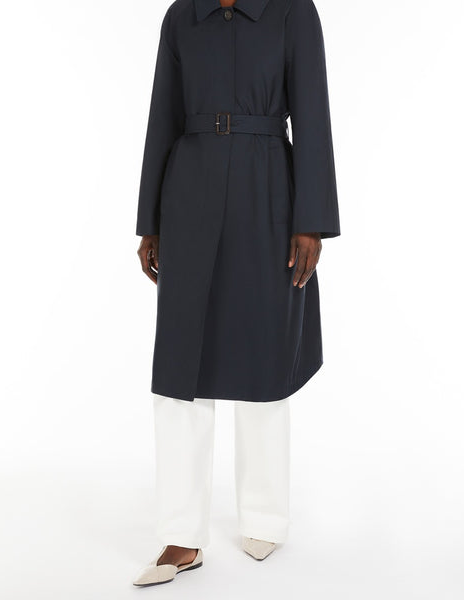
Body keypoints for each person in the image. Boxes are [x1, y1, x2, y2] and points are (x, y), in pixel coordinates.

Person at [133, 0, 340, 586]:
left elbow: (314, 115)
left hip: (267, 189)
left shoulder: (292, 12)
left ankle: (265, 517)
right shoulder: (182, 16)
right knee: (181, 366)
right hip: (189, 193)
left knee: (263, 356)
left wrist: (311, 222)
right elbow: (162, 115)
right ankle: (180, 536)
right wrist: (150, 221)